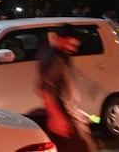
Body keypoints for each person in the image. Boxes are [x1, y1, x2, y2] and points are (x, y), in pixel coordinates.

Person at [36, 24, 97, 152]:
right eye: (71, 44)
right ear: (60, 39)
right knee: (84, 147)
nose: (74, 48)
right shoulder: (53, 60)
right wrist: (56, 116)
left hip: (70, 113)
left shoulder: (63, 56)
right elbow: (45, 90)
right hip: (64, 115)